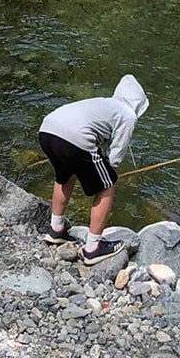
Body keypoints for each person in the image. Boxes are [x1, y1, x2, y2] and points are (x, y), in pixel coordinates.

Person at [37, 76, 150, 265]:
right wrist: (108, 174)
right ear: (138, 103)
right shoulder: (128, 115)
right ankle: (93, 248)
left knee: (65, 176)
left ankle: (56, 229)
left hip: (47, 130)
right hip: (74, 137)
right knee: (108, 184)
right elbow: (114, 159)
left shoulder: (106, 105)